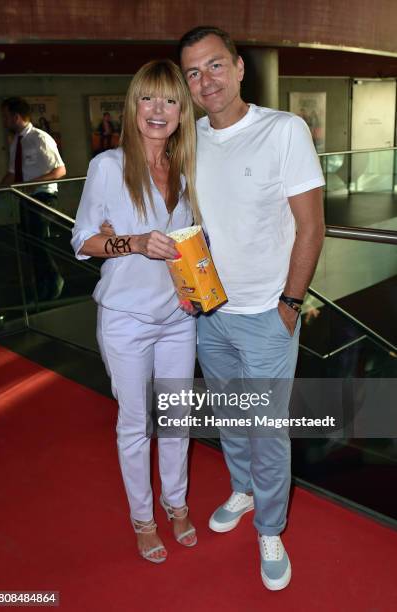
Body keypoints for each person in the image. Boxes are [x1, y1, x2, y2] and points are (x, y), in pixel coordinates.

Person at [179, 26, 325, 590]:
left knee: (266, 430)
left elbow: (312, 227)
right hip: (210, 312)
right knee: (229, 417)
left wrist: (290, 304)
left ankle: (271, 526)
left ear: (240, 68)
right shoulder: (190, 139)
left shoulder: (282, 131)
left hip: (268, 313)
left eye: (215, 65)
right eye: (193, 72)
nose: (205, 80)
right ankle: (242, 490)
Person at [71, 59, 201, 564]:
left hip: (178, 317)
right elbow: (83, 239)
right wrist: (134, 243)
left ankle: (177, 502)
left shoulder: (187, 169)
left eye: (170, 100)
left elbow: (191, 242)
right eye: (148, 98)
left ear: (181, 111)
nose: (158, 110)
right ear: (133, 104)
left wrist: (196, 284)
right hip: (126, 317)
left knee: (175, 419)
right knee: (136, 423)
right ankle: (142, 518)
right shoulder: (109, 165)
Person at [0, 97, 66, 301]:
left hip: (43, 196)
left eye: (5, 116)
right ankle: (42, 288)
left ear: (15, 116)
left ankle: (54, 282)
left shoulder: (40, 138)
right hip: (25, 197)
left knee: (38, 242)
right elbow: (12, 174)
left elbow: (60, 170)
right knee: (30, 244)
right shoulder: (16, 143)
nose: (3, 121)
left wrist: (33, 183)